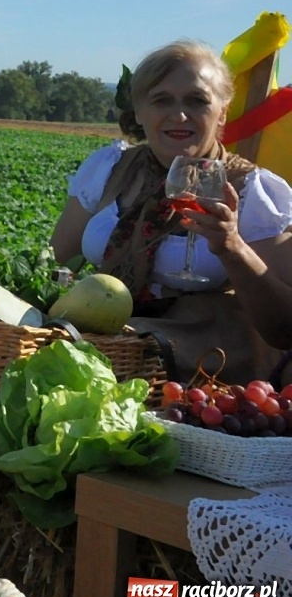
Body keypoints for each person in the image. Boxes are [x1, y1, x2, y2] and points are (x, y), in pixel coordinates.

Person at [49, 40, 292, 383]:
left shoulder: (253, 191)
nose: (179, 115)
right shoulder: (109, 169)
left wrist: (233, 248)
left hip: (199, 363)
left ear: (222, 111)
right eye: (162, 100)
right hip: (107, 340)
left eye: (197, 101)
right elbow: (56, 262)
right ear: (139, 111)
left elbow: (286, 328)